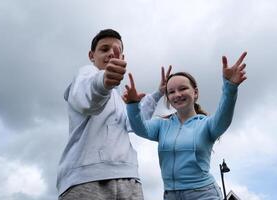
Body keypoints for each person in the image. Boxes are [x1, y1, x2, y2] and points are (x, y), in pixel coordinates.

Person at [57, 28, 172, 200]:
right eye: (104, 49)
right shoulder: (86, 74)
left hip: (129, 177)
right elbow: (87, 96)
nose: (111, 53)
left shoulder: (117, 95)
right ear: (91, 55)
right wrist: (103, 82)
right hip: (87, 178)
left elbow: (131, 124)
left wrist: (156, 95)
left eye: (116, 50)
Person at [123, 52, 247, 200]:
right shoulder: (161, 125)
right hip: (171, 195)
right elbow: (139, 128)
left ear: (195, 93)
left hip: (204, 194)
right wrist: (132, 105)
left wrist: (230, 87)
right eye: (171, 92)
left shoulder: (206, 125)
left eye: (182, 89)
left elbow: (224, 118)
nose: (177, 94)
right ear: (168, 98)